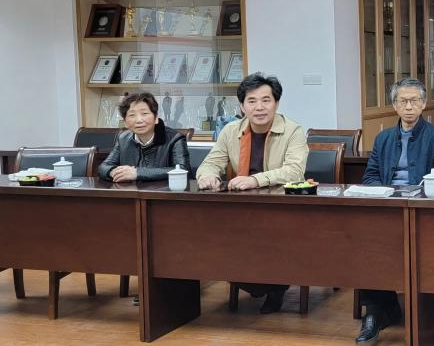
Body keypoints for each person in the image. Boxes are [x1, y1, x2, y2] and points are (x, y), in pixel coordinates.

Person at [196, 72, 309, 314]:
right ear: (242, 106)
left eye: (266, 100)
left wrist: (255, 180)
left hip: (280, 208)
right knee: (209, 239)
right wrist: (208, 175)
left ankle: (274, 286)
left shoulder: (293, 131)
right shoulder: (231, 131)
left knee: (265, 239)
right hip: (241, 208)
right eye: (252, 101)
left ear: (276, 103)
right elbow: (210, 163)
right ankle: (260, 283)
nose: (259, 107)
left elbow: (294, 171)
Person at [355, 78, 434, 344]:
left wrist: (418, 192)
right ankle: (376, 312)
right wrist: (385, 194)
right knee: (365, 241)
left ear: (424, 104)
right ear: (394, 105)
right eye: (403, 101)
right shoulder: (383, 138)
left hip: (424, 213)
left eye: (414, 101)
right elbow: (370, 176)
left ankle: (417, 315)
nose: (409, 106)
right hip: (388, 210)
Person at [97, 92, 190, 182]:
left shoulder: (175, 139)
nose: (139, 120)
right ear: (125, 122)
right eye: (132, 115)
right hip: (130, 191)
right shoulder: (123, 138)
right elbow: (104, 166)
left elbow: (183, 170)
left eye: (144, 114)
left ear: (156, 118)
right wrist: (113, 172)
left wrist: (137, 173)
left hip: (164, 191)